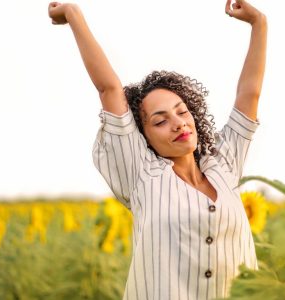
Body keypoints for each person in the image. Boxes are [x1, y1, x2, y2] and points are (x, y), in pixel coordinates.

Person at [48, 0, 267, 299]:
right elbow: (109, 89)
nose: (178, 124)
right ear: (144, 136)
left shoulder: (223, 164)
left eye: (182, 112)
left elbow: (249, 93)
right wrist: (73, 14)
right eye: (160, 121)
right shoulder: (143, 175)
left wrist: (259, 24)